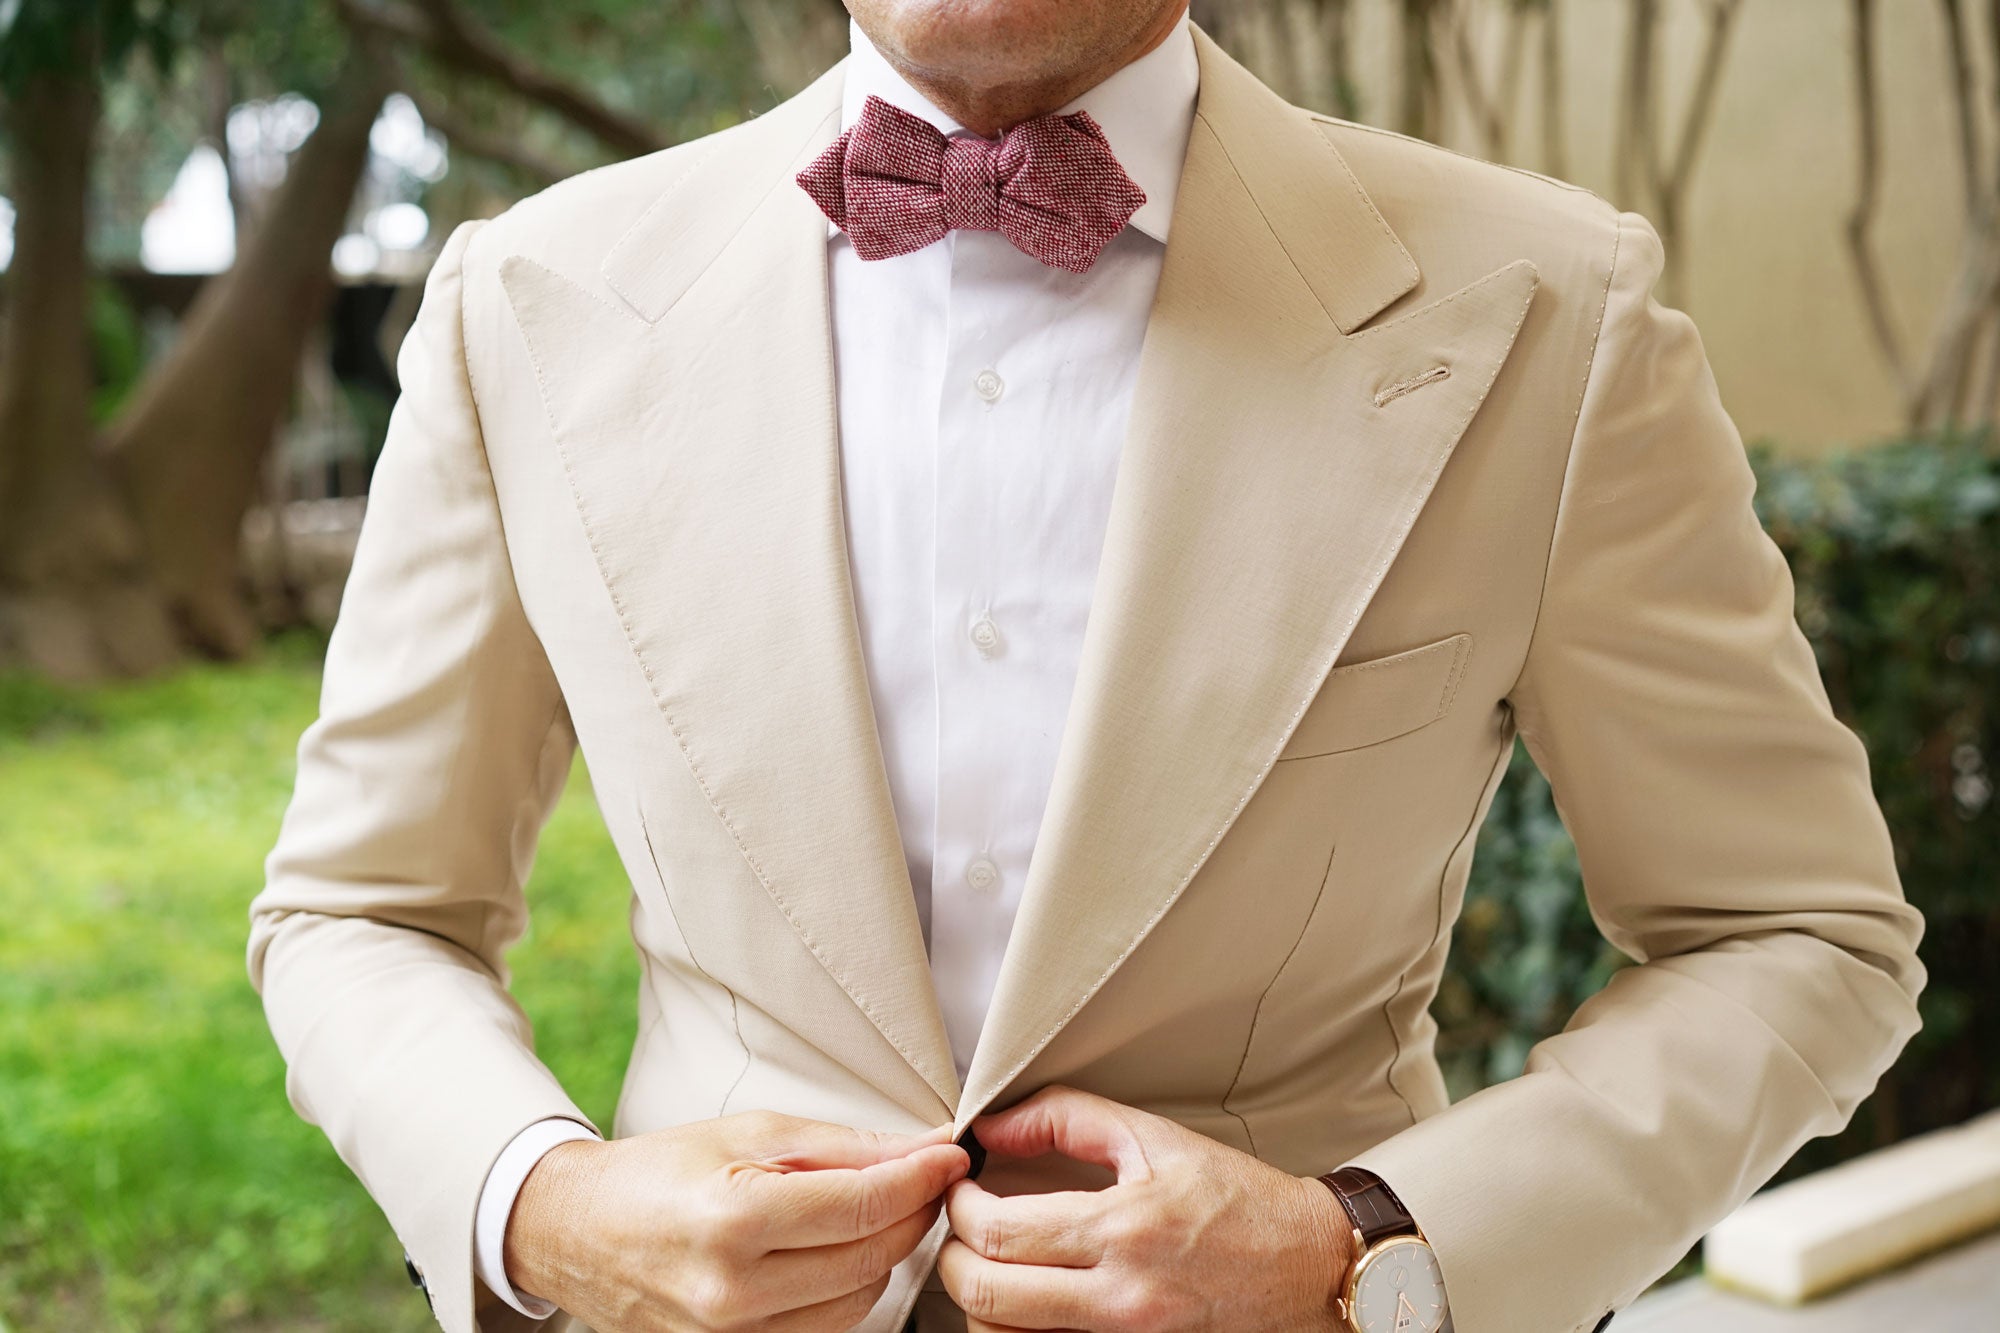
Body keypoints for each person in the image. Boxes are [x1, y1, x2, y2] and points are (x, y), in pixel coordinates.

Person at [248, 2, 1926, 1331]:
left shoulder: (1553, 313)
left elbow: (1798, 933)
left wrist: (1365, 1252)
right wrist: (542, 1206)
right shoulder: (527, 305)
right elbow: (359, 911)